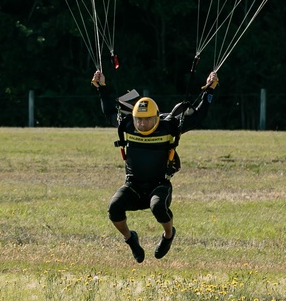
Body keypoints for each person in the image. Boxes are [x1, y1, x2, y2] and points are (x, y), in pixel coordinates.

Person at [91, 67, 218, 262]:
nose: (142, 124)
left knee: (158, 206)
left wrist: (209, 90)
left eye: (148, 120)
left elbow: (199, 116)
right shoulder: (127, 125)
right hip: (133, 185)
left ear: (157, 117)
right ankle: (130, 238)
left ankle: (168, 235)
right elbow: (109, 110)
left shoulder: (170, 126)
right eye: (139, 120)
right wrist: (102, 87)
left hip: (159, 185)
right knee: (114, 208)